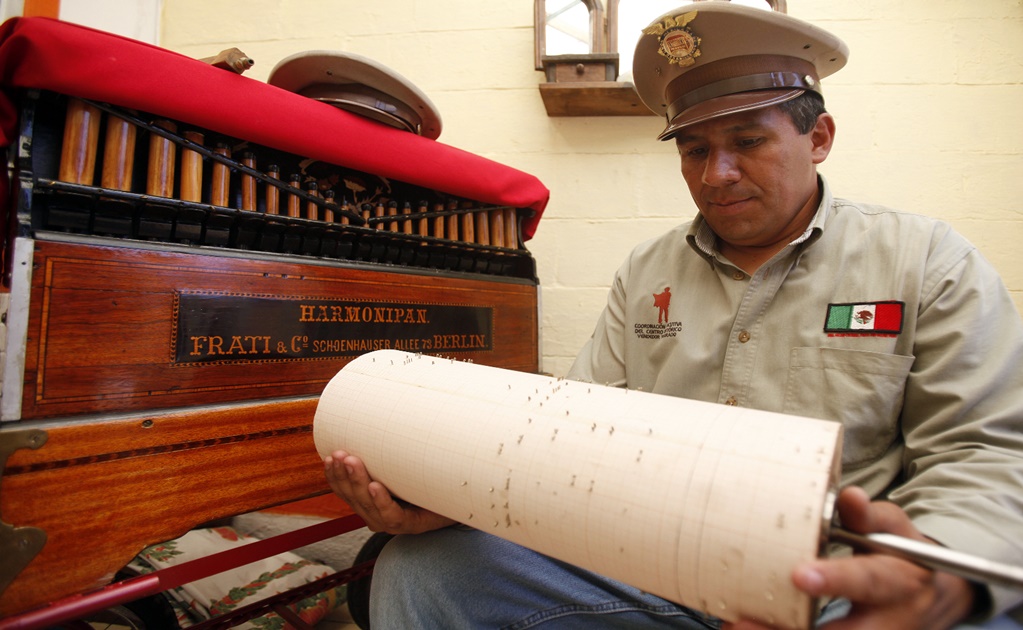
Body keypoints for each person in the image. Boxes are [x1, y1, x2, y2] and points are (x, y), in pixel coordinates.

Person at [323, 3, 1023, 628]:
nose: (715, 173)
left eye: (747, 142)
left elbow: (985, 452)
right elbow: (567, 439)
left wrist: (930, 566)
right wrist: (457, 501)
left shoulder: (926, 261)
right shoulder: (646, 272)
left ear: (818, 138)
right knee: (424, 572)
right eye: (694, 149)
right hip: (655, 568)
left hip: (836, 581)